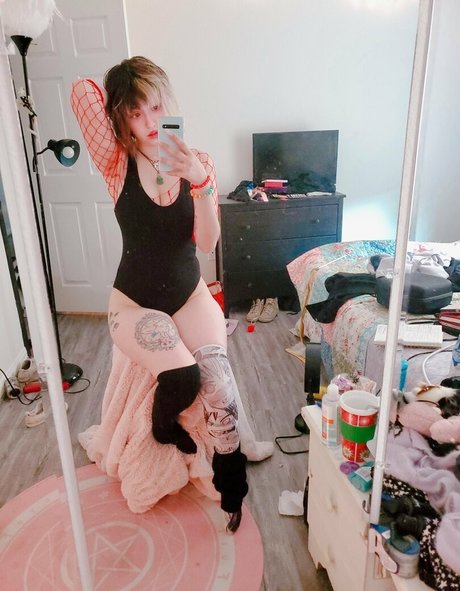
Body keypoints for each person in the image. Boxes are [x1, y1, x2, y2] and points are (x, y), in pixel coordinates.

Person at [71, 56, 247, 532]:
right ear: (121, 119)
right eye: (135, 113)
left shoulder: (199, 163)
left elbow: (207, 243)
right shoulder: (116, 163)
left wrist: (200, 181)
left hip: (189, 294)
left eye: (155, 107)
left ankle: (233, 487)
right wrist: (122, 91)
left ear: (168, 103)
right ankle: (162, 427)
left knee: (220, 384)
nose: (150, 121)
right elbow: (81, 92)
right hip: (133, 303)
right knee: (183, 377)